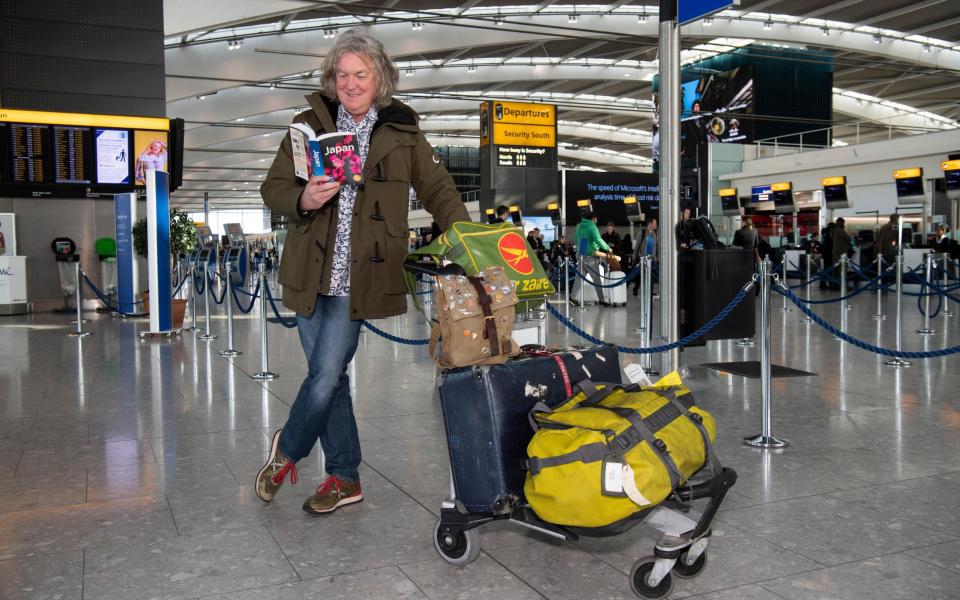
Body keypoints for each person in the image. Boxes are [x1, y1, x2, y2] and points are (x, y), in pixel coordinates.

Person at [256, 29, 470, 515]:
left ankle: (287, 449)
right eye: (342, 74)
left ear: (380, 78)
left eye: (361, 74)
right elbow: (271, 189)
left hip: (361, 279)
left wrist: (467, 239)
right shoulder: (308, 125)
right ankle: (345, 477)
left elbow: (440, 192)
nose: (350, 84)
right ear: (332, 79)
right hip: (310, 275)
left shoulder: (402, 131)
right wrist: (302, 198)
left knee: (327, 372)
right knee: (329, 380)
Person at [571, 211, 616, 306]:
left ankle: (573, 297)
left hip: (580, 255)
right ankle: (602, 300)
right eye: (596, 219)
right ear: (593, 219)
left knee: (579, 278)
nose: (596, 221)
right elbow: (598, 239)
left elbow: (575, 240)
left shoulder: (580, 226)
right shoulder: (592, 226)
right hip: (590, 256)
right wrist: (608, 248)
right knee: (597, 279)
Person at [632, 217, 657, 296]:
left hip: (652, 258)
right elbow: (637, 246)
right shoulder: (642, 233)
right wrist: (634, 257)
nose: (656, 225)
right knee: (640, 276)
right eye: (655, 223)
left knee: (651, 276)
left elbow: (657, 245)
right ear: (650, 224)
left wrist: (657, 256)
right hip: (642, 259)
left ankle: (650, 291)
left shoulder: (655, 233)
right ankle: (635, 288)